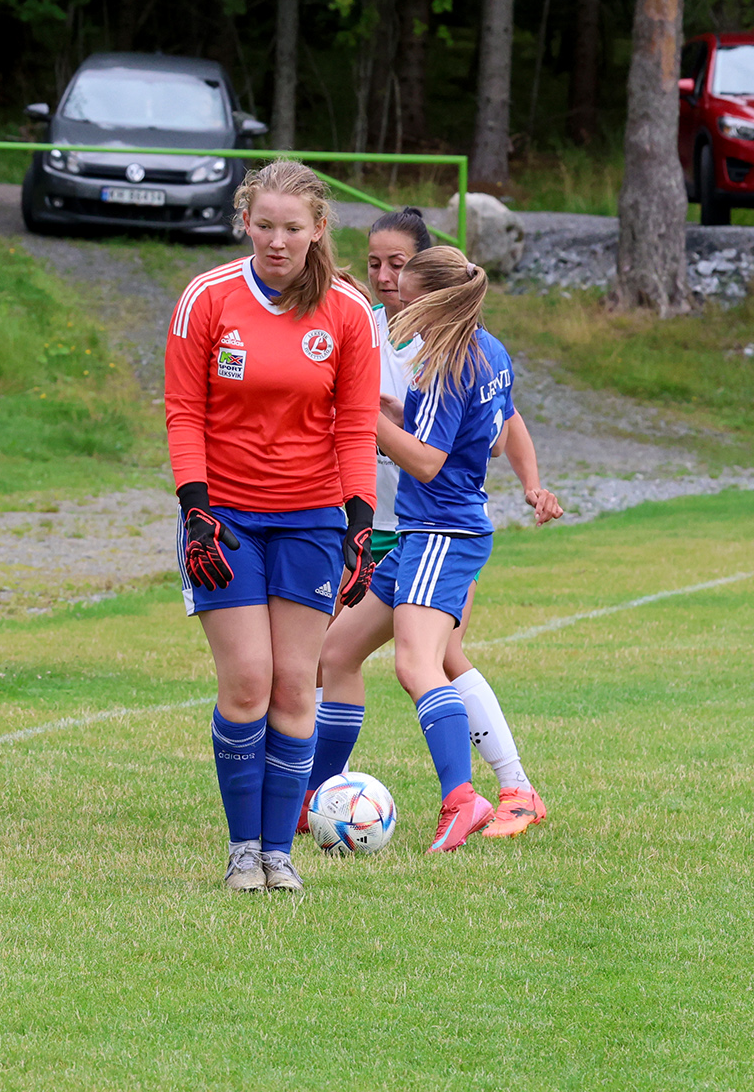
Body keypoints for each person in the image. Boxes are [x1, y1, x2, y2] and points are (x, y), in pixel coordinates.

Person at [305, 212, 563, 841]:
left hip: (436, 532)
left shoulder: (450, 363)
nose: (393, 291)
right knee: (337, 652)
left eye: (404, 280)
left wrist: (359, 414)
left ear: (433, 295)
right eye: (378, 267)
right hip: (432, 530)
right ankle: (315, 794)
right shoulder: (485, 348)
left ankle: (469, 796)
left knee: (422, 665)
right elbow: (474, 428)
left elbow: (425, 460)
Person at [164, 159, 379, 893]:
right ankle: (241, 852)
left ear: (320, 229)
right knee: (248, 679)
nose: (277, 240)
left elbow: (355, 428)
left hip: (314, 520)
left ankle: (279, 855)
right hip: (224, 519)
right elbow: (183, 413)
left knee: (295, 686)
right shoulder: (207, 298)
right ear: (244, 222)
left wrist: (360, 525)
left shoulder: (348, 312)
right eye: (264, 225)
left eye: (293, 227)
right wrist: (196, 512)